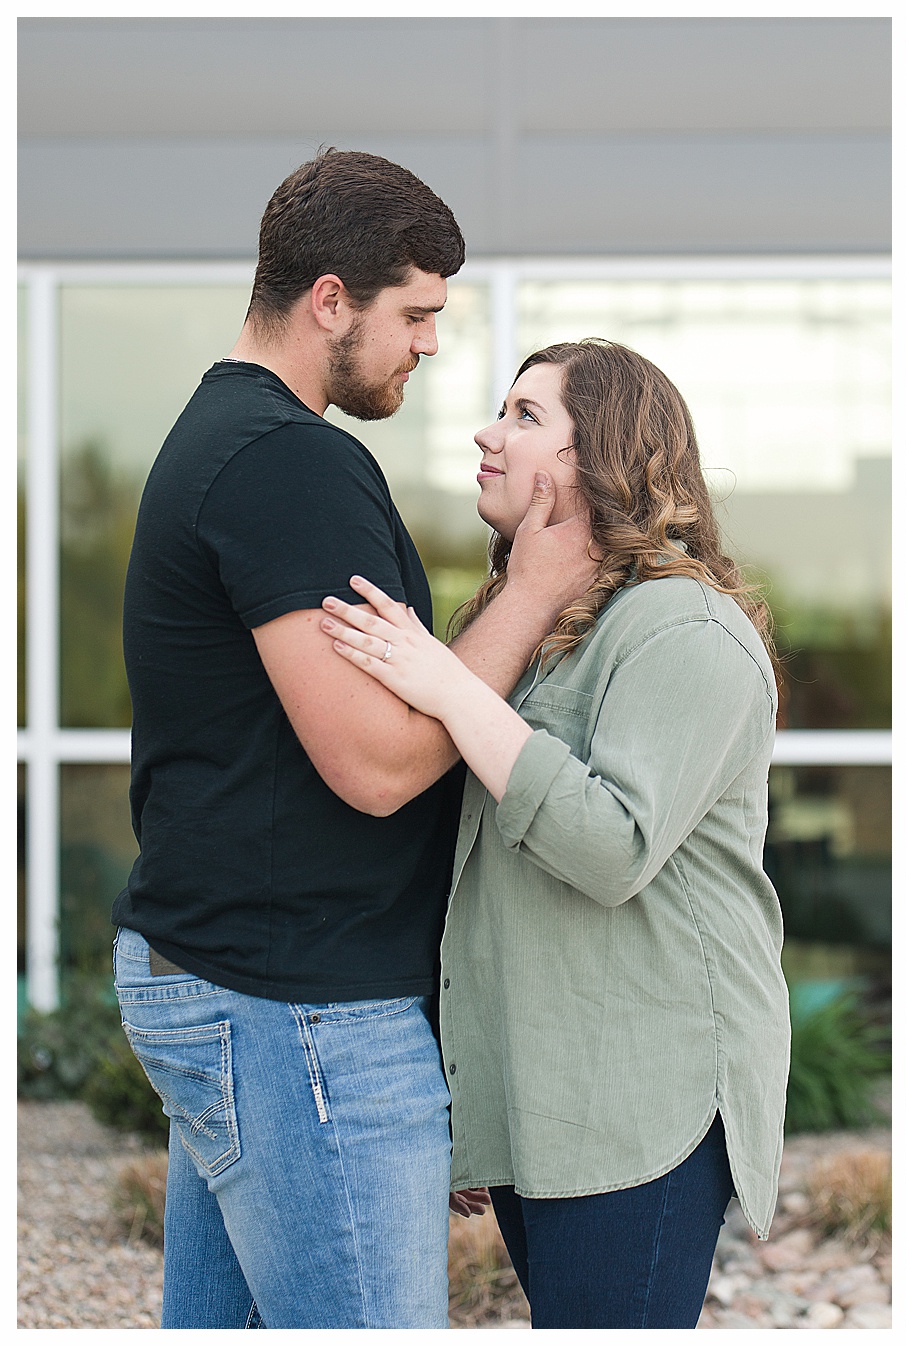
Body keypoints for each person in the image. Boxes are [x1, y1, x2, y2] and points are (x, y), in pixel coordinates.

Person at [111, 150, 596, 1329]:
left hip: (247, 985)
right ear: (331, 299)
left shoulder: (230, 437)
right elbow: (377, 765)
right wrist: (530, 595)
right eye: (416, 314)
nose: (430, 345)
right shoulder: (285, 461)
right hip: (296, 1009)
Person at [317, 339, 790, 1329]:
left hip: (643, 1102)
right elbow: (482, 881)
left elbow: (610, 844)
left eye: (526, 416)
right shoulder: (534, 631)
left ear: (602, 457)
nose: (489, 434)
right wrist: (474, 1093)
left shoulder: (684, 629)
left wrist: (441, 680)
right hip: (549, 1096)